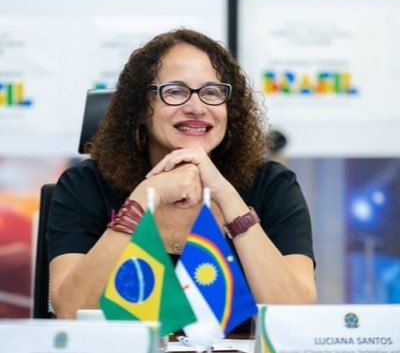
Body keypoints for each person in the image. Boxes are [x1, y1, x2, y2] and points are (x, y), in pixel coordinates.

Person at [48, 29, 317, 329]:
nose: (196, 107)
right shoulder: (85, 184)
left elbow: (294, 316)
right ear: (141, 107)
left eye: (211, 92)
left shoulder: (272, 184)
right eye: (175, 91)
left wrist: (225, 194)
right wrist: (144, 199)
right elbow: (71, 311)